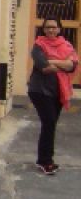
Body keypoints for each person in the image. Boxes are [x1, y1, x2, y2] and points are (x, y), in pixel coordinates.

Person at [28, 17, 79, 175]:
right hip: (40, 91)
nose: (51, 30)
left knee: (50, 125)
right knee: (49, 122)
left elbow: (73, 65)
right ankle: (46, 161)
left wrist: (52, 60)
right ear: (43, 29)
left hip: (58, 91)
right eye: (48, 27)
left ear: (59, 29)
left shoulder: (66, 45)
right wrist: (63, 63)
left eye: (54, 27)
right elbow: (45, 68)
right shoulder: (38, 46)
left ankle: (44, 159)